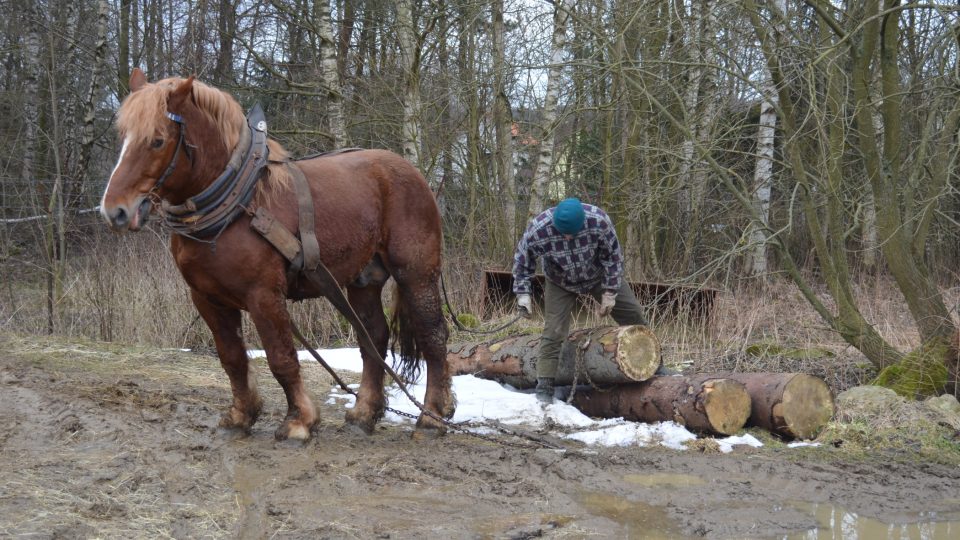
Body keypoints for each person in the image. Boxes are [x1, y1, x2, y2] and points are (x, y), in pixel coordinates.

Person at [512, 197, 648, 403]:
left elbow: (613, 258)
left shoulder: (599, 222)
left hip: (597, 275)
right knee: (554, 330)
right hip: (560, 281)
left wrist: (610, 293)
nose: (567, 237)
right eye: (562, 233)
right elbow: (523, 261)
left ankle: (654, 362)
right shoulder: (539, 229)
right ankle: (545, 385)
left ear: (582, 223)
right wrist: (523, 294)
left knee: (633, 313)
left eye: (571, 233)